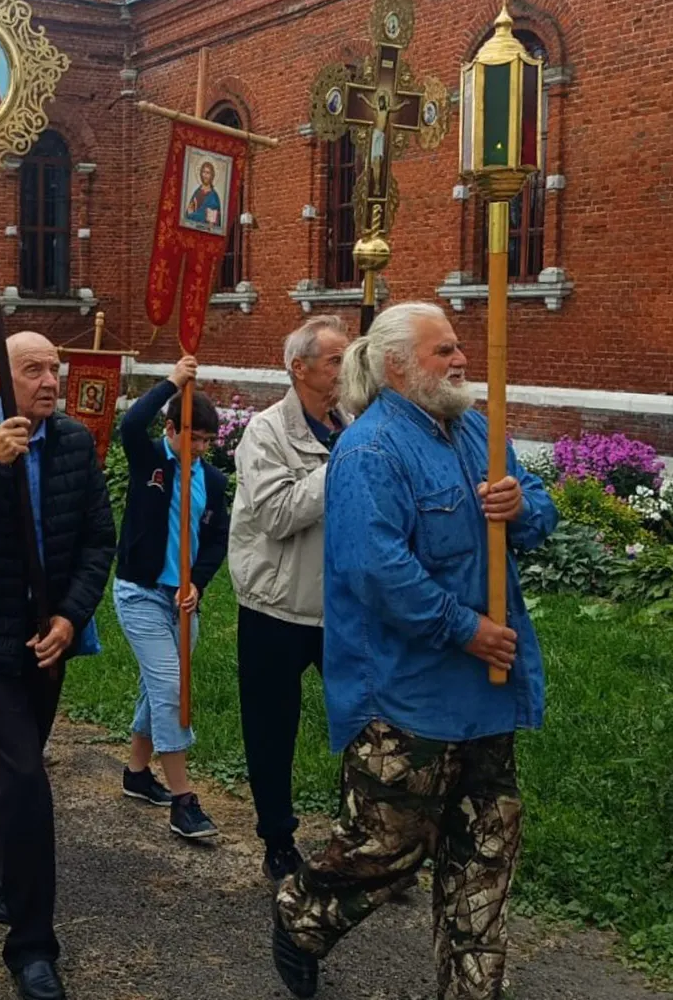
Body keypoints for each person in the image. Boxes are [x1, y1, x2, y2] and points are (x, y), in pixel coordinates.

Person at [270, 303, 559, 1000]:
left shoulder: (479, 434)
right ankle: (304, 916)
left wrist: (522, 509)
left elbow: (542, 514)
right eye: (444, 351)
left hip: (487, 694)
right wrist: (465, 629)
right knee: (387, 849)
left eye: (460, 348)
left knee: (485, 854)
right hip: (406, 697)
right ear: (398, 366)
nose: (461, 360)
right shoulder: (370, 451)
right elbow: (376, 572)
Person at [0, 331, 117, 1000]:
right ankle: (33, 948)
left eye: (54, 370)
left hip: (48, 640)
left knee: (16, 766)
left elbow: (98, 538)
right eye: (33, 370)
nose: (49, 381)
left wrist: (70, 616)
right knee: (28, 782)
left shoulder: (72, 443)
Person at [230, 315, 351, 883]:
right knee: (272, 728)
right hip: (276, 606)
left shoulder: (352, 425)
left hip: (344, 606)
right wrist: (345, 465)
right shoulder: (266, 431)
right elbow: (276, 515)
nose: (345, 369)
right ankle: (277, 838)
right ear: (299, 368)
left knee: (365, 723)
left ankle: (365, 839)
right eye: (334, 360)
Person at [111, 355, 230, 840]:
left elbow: (216, 540)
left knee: (154, 687)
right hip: (139, 593)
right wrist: (172, 382)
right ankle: (184, 800)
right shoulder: (150, 460)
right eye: (191, 437)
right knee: (170, 689)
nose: (198, 448)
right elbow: (131, 423)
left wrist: (197, 582)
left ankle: (137, 773)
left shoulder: (214, 481)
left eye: (206, 440)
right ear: (172, 428)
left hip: (181, 599)